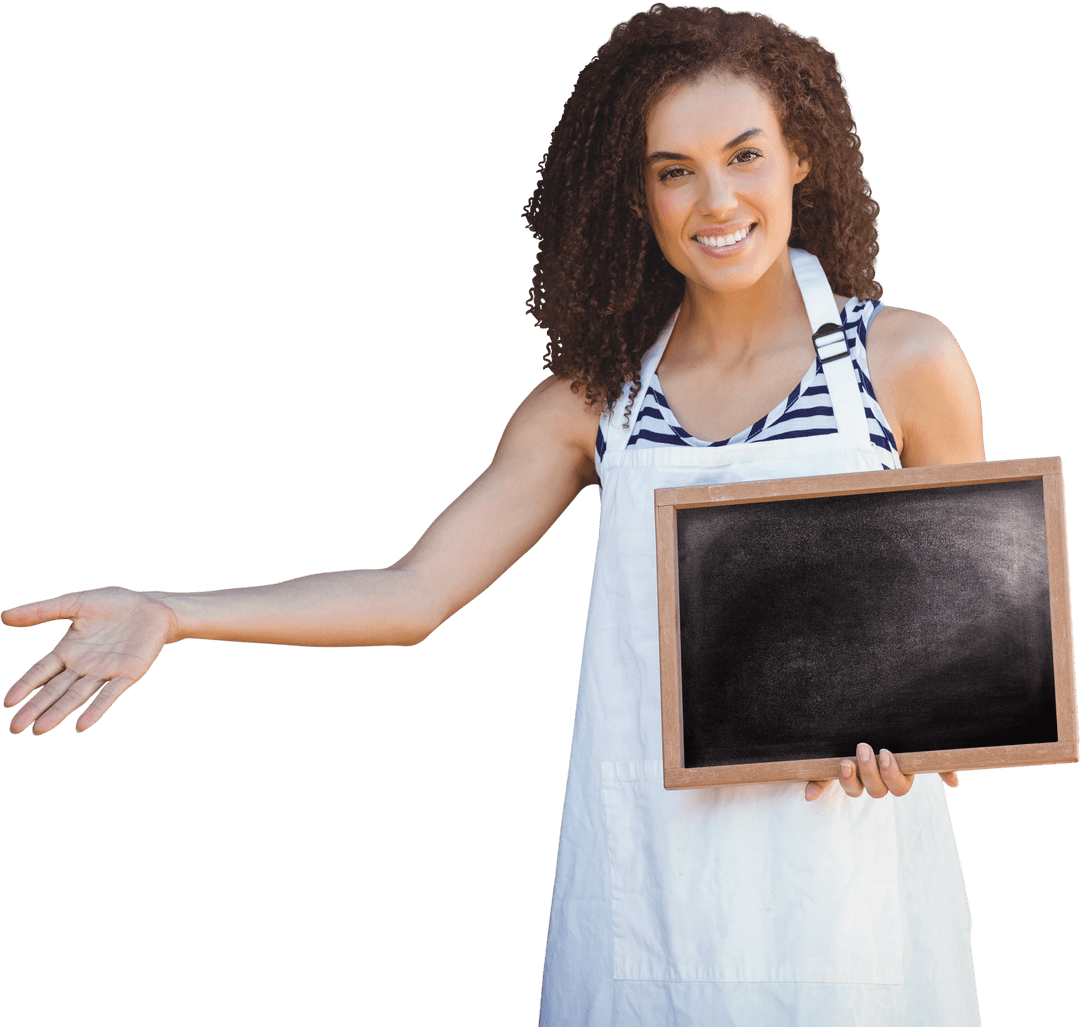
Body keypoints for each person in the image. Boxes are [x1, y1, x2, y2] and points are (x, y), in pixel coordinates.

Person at [4, 5, 984, 1024]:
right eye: (673, 169)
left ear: (800, 161)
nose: (716, 198)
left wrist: (915, 730)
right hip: (648, 892)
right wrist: (170, 609)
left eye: (744, 154)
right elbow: (411, 592)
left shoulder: (905, 365)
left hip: (850, 898)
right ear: (639, 195)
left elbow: (973, 646)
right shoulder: (593, 402)